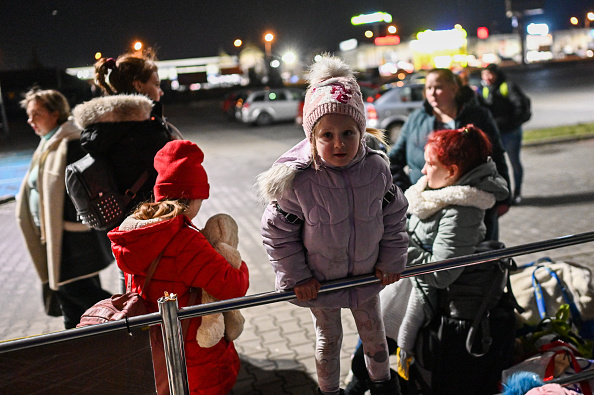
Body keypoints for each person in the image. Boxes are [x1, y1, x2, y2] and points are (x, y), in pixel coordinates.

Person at [258, 55, 409, 395]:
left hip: (368, 274)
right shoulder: (299, 182)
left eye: (348, 133)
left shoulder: (376, 170)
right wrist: (298, 278)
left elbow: (395, 215)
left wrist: (390, 261)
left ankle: (384, 386)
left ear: (362, 131)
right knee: (329, 341)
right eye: (327, 135)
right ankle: (329, 392)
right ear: (311, 136)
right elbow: (278, 235)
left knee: (375, 335)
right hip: (320, 282)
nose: (338, 143)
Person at [346, 125, 512, 395]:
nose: (422, 171)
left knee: (367, 359)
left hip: (421, 300)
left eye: (430, 164)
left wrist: (394, 243)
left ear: (452, 172)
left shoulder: (462, 211)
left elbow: (442, 272)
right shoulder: (429, 194)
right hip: (401, 289)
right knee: (365, 355)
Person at [108, 140, 250, 395]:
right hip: (192, 352)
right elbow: (233, 288)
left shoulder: (136, 230)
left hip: (153, 346)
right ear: (193, 196)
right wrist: (234, 260)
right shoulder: (184, 240)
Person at [72, 49, 181, 292]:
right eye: (156, 84)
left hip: (122, 227)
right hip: (153, 225)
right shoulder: (146, 130)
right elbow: (171, 180)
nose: (160, 91)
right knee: (162, 295)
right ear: (138, 86)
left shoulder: (101, 128)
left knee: (132, 286)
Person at [15, 88, 113, 329]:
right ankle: (78, 343)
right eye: (29, 115)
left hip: (72, 239)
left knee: (72, 289)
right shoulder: (48, 143)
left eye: (36, 114)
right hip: (55, 236)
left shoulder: (71, 144)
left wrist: (77, 224)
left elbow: (83, 189)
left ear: (55, 112)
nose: (31, 120)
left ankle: (127, 315)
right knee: (69, 300)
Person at [388, 68, 511, 241]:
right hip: (429, 209)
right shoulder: (416, 119)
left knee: (477, 257)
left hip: (473, 206)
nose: (432, 93)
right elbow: (393, 160)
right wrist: (406, 192)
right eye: (428, 88)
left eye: (438, 87)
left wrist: (505, 197)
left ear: (454, 89)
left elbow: (497, 156)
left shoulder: (478, 116)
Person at [481, 63, 528, 205]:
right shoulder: (484, 89)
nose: (487, 77)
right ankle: (503, 194)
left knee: (514, 162)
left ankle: (517, 192)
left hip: (511, 132)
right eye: (484, 74)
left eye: (490, 74)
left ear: (497, 74)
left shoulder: (507, 86)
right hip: (495, 134)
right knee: (497, 165)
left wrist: (512, 123)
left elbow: (520, 105)